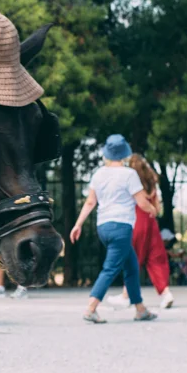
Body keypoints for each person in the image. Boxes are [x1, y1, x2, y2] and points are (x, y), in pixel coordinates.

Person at [70, 134, 159, 323]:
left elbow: (90, 202)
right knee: (110, 269)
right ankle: (91, 308)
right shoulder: (129, 174)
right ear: (125, 154)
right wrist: (153, 210)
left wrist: (78, 224)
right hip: (121, 227)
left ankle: (140, 309)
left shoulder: (99, 174)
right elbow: (142, 202)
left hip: (103, 227)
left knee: (132, 267)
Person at [106, 154, 174, 310]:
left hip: (136, 222)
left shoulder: (131, 184)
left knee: (132, 258)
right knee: (156, 258)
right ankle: (166, 293)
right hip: (152, 224)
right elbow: (157, 209)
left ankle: (125, 295)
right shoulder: (152, 186)